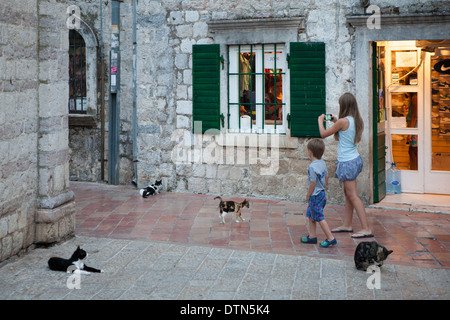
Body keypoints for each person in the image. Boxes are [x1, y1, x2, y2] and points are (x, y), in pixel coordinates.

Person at [317, 92, 373, 239]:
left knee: (353, 195)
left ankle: (366, 228)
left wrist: (320, 120)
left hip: (347, 162)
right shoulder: (355, 120)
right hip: (354, 159)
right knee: (348, 194)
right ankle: (347, 224)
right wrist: (336, 120)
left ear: (344, 105)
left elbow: (323, 134)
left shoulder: (342, 122)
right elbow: (344, 131)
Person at [300, 138, 337, 248]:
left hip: (315, 195)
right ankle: (312, 236)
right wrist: (325, 186)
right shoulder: (322, 163)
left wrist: (308, 195)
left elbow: (313, 183)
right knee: (311, 215)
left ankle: (331, 238)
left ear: (310, 151)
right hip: (321, 194)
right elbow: (326, 176)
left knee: (319, 217)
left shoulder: (312, 167)